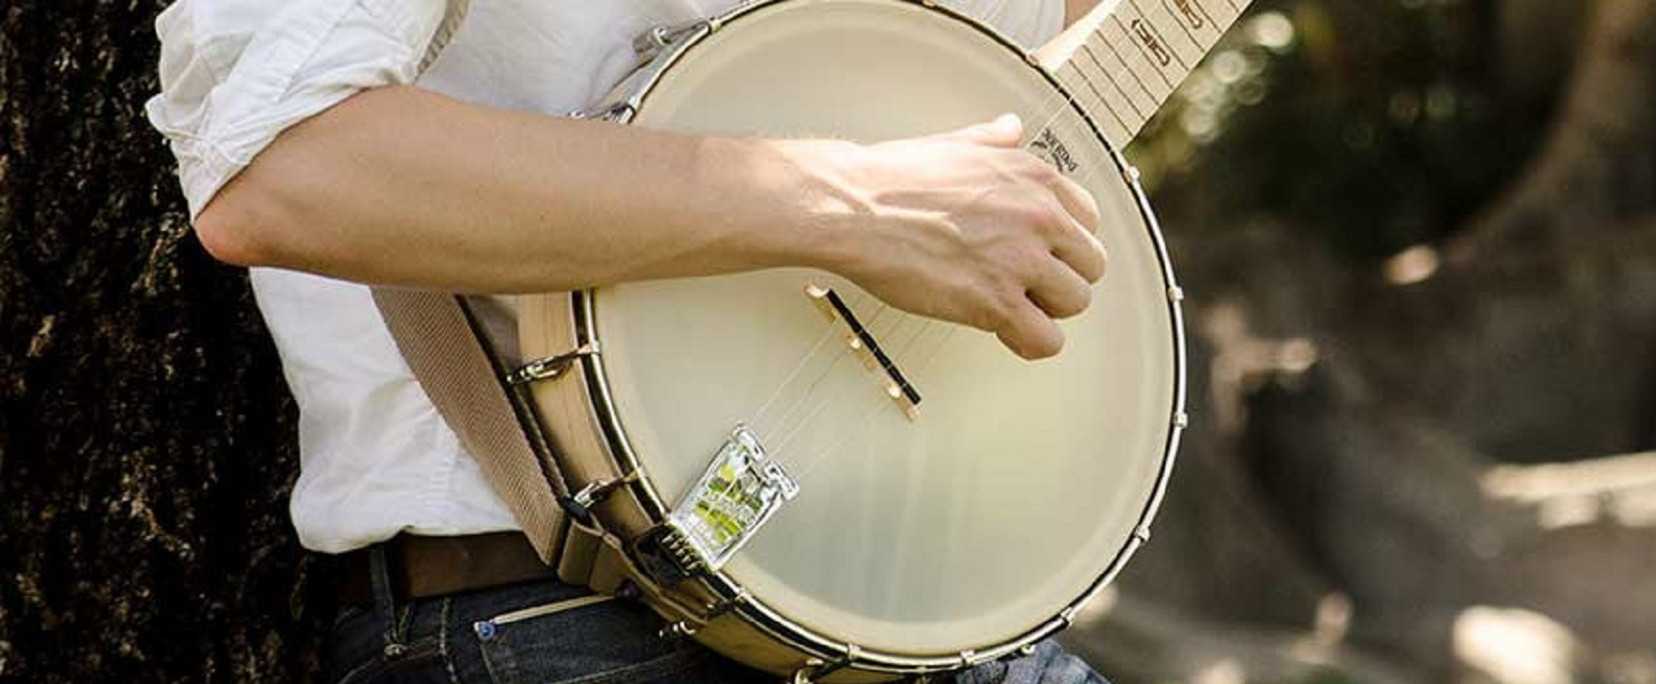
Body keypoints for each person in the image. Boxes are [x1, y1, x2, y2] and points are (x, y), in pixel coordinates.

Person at [146, 0, 1112, 682]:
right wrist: (854, 205)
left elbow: (1024, 136)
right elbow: (283, 160)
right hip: (567, 606)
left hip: (932, 612)